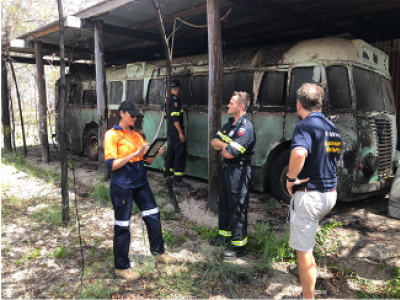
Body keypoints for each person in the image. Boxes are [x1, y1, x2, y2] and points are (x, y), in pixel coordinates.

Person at [104, 100, 176, 282]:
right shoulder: (111, 135)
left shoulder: (137, 135)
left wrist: (155, 153)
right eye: (132, 115)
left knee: (153, 215)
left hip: (141, 183)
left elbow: (146, 161)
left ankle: (159, 253)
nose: (135, 118)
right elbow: (111, 165)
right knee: (122, 226)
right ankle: (121, 267)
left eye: (137, 116)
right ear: (122, 113)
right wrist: (134, 155)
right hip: (122, 185)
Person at [284, 83, 341, 300]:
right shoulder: (332, 128)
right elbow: (334, 161)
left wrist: (291, 179)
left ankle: (307, 298)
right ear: (320, 104)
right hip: (329, 195)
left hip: (310, 196)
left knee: (303, 253)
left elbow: (299, 153)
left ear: (299, 105)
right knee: (307, 246)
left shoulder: (304, 126)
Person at [209, 91, 256, 259]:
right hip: (228, 171)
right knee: (225, 204)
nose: (228, 105)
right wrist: (226, 145)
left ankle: (239, 247)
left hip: (239, 172)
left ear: (241, 106)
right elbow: (213, 141)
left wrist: (224, 147)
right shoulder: (229, 124)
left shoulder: (245, 128)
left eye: (231, 102)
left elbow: (230, 154)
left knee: (237, 209)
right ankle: (224, 236)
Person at [163, 79, 191, 188]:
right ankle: (177, 180)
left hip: (171, 131)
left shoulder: (168, 100)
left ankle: (167, 177)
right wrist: (181, 133)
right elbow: (175, 119)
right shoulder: (174, 100)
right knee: (180, 153)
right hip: (175, 131)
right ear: (178, 88)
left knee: (171, 153)